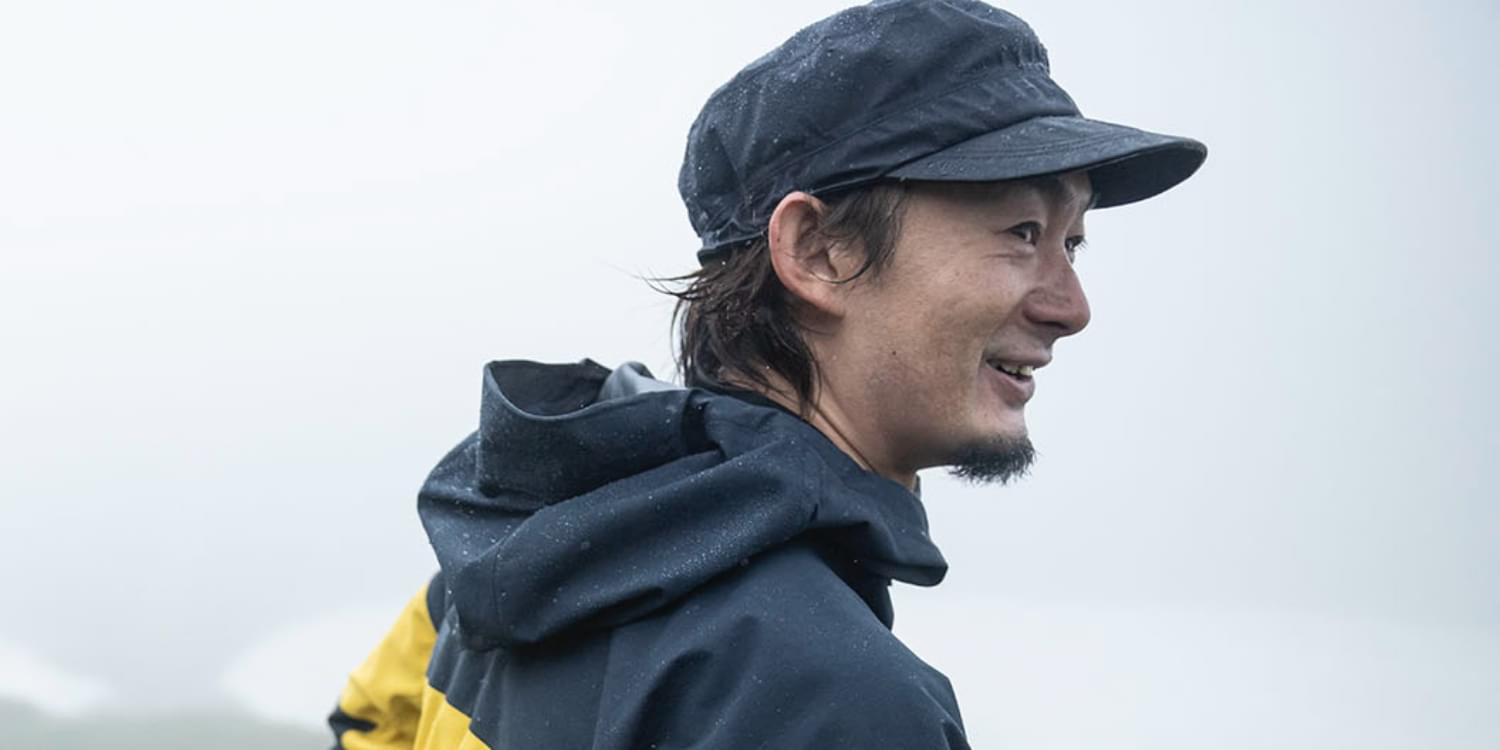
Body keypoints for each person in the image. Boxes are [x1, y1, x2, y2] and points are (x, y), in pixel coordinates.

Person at [327, 1, 1206, 747]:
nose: (1071, 306)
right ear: (816, 251)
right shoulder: (842, 706)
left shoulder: (526, 544)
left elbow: (369, 721)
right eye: (1021, 233)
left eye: (1073, 242)